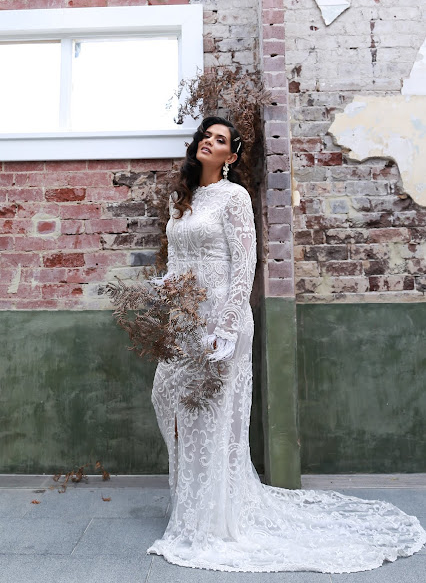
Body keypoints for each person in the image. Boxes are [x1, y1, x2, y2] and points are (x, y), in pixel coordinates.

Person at [147, 116, 426, 573]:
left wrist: (228, 326)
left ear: (231, 156)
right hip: (185, 321)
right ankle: (192, 503)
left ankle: (211, 519)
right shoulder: (183, 198)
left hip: (222, 320)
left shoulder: (234, 197)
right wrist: (165, 299)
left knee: (213, 417)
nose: (209, 142)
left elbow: (245, 265)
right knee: (166, 398)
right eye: (206, 135)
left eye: (220, 139)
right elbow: (176, 260)